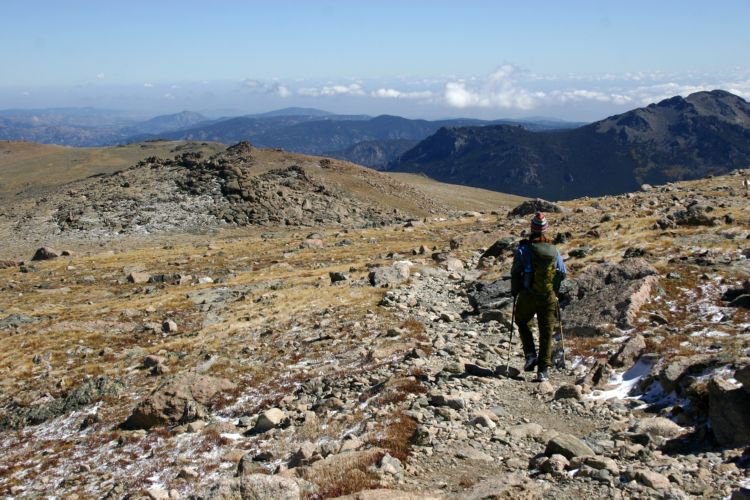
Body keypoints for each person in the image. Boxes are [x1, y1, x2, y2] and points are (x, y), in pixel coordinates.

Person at [510, 212, 566, 382]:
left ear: (532, 229)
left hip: (528, 294)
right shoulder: (554, 250)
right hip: (548, 296)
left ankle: (530, 355)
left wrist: (515, 291)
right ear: (545, 229)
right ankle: (543, 371)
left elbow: (515, 273)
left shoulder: (523, 250)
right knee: (546, 331)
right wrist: (554, 290)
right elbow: (562, 273)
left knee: (522, 321)